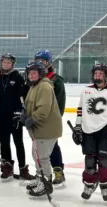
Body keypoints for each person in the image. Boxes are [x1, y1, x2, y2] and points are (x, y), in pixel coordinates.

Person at [72, 63, 107, 202]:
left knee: (105, 160)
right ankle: (89, 183)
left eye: (101, 74)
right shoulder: (86, 91)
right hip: (88, 130)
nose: (98, 76)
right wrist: (78, 127)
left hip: (106, 129)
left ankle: (105, 185)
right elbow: (80, 110)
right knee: (89, 159)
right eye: (96, 74)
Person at [21, 61, 62, 198]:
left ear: (41, 73)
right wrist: (24, 114)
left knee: (42, 157)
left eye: (34, 73)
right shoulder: (34, 86)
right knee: (36, 155)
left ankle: (46, 183)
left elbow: (44, 110)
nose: (31, 76)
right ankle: (41, 179)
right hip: (39, 128)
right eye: (29, 73)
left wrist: (31, 119)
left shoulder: (44, 86)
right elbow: (29, 105)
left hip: (46, 129)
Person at [0, 53, 33, 181]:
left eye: (8, 62)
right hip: (1, 117)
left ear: (12, 64)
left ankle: (23, 169)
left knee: (18, 143)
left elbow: (22, 97)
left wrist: (18, 113)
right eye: (4, 62)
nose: (6, 64)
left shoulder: (18, 78)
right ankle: (7, 167)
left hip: (14, 117)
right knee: (4, 143)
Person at [34, 50, 66, 188]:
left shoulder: (56, 80)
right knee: (39, 149)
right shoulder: (35, 78)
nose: (40, 63)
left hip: (50, 121)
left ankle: (58, 170)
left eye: (43, 61)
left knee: (53, 147)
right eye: (38, 61)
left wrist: (52, 119)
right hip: (38, 119)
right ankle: (42, 174)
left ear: (49, 63)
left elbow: (60, 102)